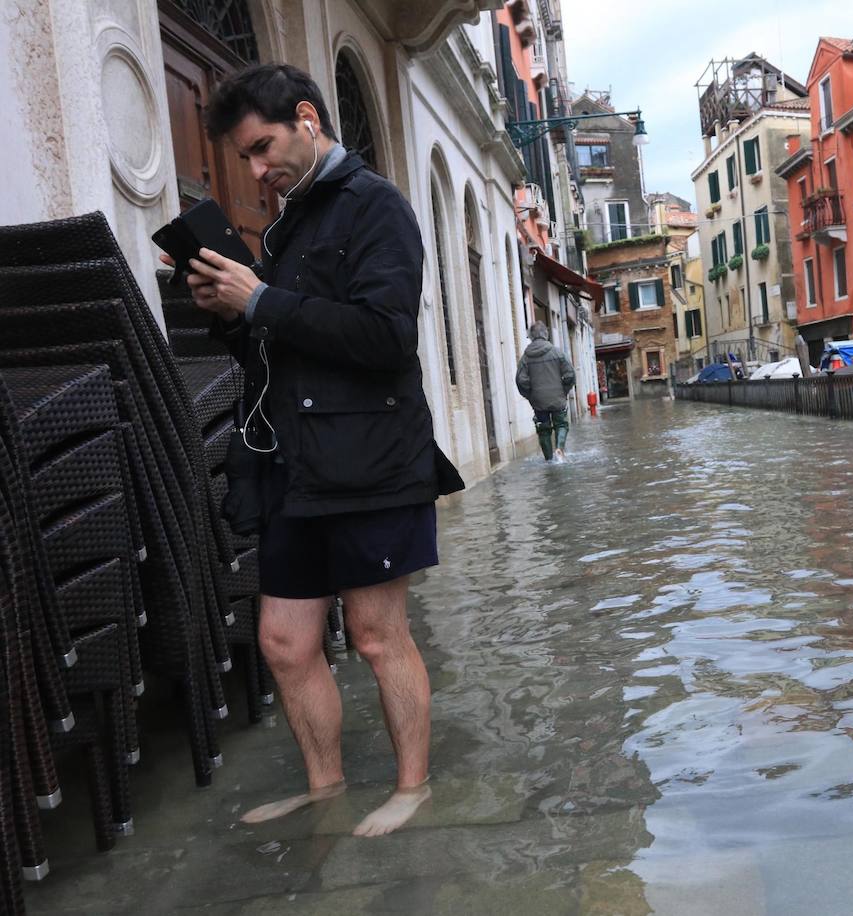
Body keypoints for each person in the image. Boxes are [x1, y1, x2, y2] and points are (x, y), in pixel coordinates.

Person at [170, 63, 462, 837]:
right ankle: (326, 785)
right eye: (247, 161)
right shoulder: (288, 223)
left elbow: (386, 337)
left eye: (264, 149)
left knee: (375, 634)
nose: (259, 172)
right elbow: (281, 351)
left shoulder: (379, 207)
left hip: (372, 459)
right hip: (292, 465)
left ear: (307, 117)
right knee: (283, 641)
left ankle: (412, 786)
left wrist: (262, 299)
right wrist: (232, 313)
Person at [515, 321, 575, 461]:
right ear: (545, 334)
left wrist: (531, 395)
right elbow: (570, 375)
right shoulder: (557, 352)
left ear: (531, 336)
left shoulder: (525, 358)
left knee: (543, 430)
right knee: (561, 424)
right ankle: (559, 448)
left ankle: (548, 459)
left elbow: (520, 380)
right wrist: (563, 391)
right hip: (557, 398)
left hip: (538, 401)